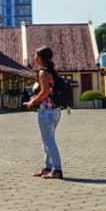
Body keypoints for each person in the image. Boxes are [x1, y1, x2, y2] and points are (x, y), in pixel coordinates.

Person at [24, 45, 63, 179]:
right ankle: (47, 167)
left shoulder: (43, 72)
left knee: (49, 141)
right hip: (55, 110)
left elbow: (45, 92)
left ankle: (57, 169)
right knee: (47, 140)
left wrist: (32, 101)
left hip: (46, 111)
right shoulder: (51, 71)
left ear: (41, 58)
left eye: (36, 55)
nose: (34, 58)